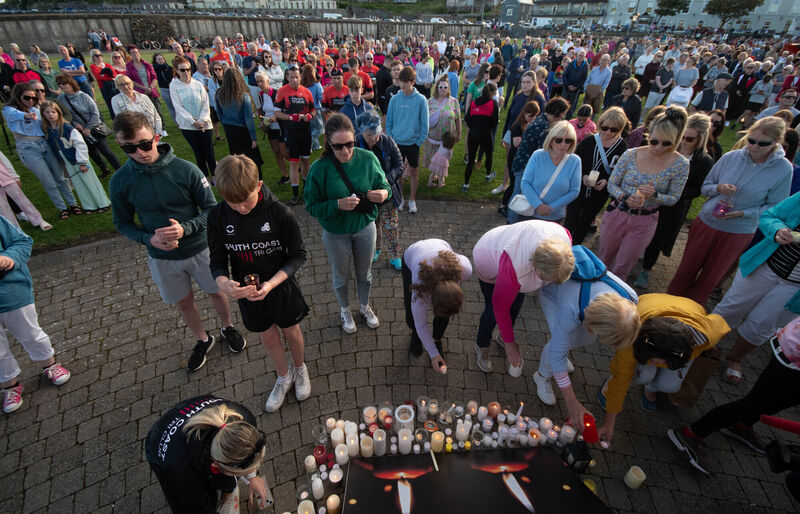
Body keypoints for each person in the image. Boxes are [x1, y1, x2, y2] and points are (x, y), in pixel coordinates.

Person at [109, 111, 246, 372]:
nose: (139, 152)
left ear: (156, 137)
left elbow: (211, 210)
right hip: (162, 258)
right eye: (129, 148)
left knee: (216, 291)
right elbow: (122, 223)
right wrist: (148, 239)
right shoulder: (120, 182)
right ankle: (203, 339)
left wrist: (186, 229)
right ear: (120, 145)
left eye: (144, 144)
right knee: (183, 302)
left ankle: (227, 326)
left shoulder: (186, 170)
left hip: (199, 249)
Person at [208, 155, 310, 412]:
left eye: (247, 201)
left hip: (281, 287)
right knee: (268, 337)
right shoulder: (217, 217)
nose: (242, 208)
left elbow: (298, 255)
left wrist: (272, 284)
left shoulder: (280, 213)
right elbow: (217, 259)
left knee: (291, 331)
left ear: (259, 185)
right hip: (248, 294)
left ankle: (300, 368)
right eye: (234, 203)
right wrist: (224, 283)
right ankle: (283, 375)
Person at [667, 116, 793, 305]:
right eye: (751, 140)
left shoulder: (784, 169)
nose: (754, 146)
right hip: (708, 221)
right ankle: (667, 305)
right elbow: (706, 186)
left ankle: (689, 313)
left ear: (776, 143)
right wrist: (719, 189)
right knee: (686, 269)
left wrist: (744, 213)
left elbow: (775, 207)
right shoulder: (731, 157)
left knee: (711, 277)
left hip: (739, 231)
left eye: (762, 143)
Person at [668, 318, 800, 475]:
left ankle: (741, 425)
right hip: (793, 353)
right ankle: (690, 433)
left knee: (780, 401)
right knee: (756, 403)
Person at [597, 294, 730, 442]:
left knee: (670, 386)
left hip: (688, 308)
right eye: (649, 359)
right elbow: (622, 377)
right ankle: (618, 381)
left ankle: (651, 388)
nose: (651, 363)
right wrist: (610, 422)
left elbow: (719, 323)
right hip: (651, 304)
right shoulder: (634, 335)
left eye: (653, 361)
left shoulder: (704, 338)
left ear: (678, 356)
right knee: (641, 375)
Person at [304, 114, 391, 334]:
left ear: (356, 138)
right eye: (338, 146)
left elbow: (385, 186)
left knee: (365, 274)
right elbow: (311, 206)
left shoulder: (368, 158)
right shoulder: (319, 168)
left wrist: (382, 193)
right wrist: (336, 205)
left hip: (364, 228)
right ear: (329, 144)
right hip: (335, 232)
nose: (346, 151)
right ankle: (345, 310)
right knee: (340, 276)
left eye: (350, 144)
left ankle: (364, 306)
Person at [534, 245, 638, 421]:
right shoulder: (570, 309)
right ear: (594, 322)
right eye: (605, 338)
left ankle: (556, 362)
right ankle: (542, 375)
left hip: (580, 304)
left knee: (583, 338)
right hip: (553, 295)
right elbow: (557, 355)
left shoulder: (630, 298)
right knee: (559, 345)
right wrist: (572, 401)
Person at [713, 192, 800, 385]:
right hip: (765, 267)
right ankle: (707, 343)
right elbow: (770, 216)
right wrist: (778, 231)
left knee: (763, 324)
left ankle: (735, 358)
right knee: (731, 307)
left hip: (795, 289)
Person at [597, 107, 690, 281]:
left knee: (624, 265)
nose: (659, 148)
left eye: (666, 143)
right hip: (618, 212)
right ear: (649, 133)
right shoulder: (630, 154)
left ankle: (611, 298)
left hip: (644, 220)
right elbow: (612, 184)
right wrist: (624, 196)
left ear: (676, 140)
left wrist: (656, 195)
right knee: (603, 258)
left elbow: (674, 198)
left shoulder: (681, 164)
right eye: (654, 141)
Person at [472, 220, 574, 375]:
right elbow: (500, 306)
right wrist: (510, 343)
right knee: (493, 311)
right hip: (488, 255)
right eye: (547, 278)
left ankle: (503, 335)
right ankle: (482, 345)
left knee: (516, 304)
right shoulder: (516, 266)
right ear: (535, 266)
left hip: (511, 244)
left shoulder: (564, 241)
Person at [144, 395, 271, 512]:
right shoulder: (180, 474)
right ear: (216, 467)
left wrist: (252, 477)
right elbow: (196, 508)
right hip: (158, 442)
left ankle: (228, 490)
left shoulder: (244, 420)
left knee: (231, 468)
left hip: (187, 418)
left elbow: (248, 453)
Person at [0, 215, 71, 413]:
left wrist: (9, 258)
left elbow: (23, 241)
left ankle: (50, 365)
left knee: (31, 335)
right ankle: (10, 386)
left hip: (12, 294)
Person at [636, 113, 715, 288]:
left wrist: (673, 192)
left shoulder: (704, 161)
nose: (684, 141)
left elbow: (697, 189)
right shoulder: (668, 148)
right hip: (648, 200)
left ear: (700, 139)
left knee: (657, 239)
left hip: (672, 207)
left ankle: (646, 270)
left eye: (690, 139)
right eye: (682, 136)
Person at [2, 83, 80, 219]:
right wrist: (27, 116)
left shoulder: (36, 109)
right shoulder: (10, 110)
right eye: (26, 98)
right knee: (48, 181)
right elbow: (16, 115)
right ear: (18, 97)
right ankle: (62, 207)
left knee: (60, 177)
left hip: (44, 143)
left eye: (34, 98)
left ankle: (73, 203)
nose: (30, 101)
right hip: (28, 148)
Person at [404, 239, 472, 374]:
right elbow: (421, 324)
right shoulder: (420, 285)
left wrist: (433, 350)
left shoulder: (465, 270)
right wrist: (434, 354)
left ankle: (436, 339)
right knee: (412, 312)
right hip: (413, 255)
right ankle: (416, 336)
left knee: (444, 312)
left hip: (441, 247)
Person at [564, 107, 629, 244]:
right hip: (579, 189)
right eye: (605, 128)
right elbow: (574, 163)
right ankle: (562, 246)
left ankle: (575, 249)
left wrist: (608, 181)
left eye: (614, 129)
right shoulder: (589, 141)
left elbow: (622, 171)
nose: (608, 132)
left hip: (599, 194)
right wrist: (583, 176)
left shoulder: (622, 147)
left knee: (584, 222)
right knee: (570, 220)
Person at [506, 97, 570, 224]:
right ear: (557, 113)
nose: (561, 119)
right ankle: (511, 224)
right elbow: (545, 151)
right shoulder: (543, 127)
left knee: (518, 196)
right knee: (518, 198)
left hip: (522, 163)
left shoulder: (541, 121)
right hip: (524, 166)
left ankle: (512, 222)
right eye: (561, 116)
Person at [41, 100, 110, 214]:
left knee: (90, 182)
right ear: (43, 114)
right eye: (47, 112)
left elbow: (80, 144)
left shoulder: (67, 128)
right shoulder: (49, 130)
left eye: (53, 112)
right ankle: (90, 205)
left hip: (78, 159)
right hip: (67, 160)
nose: (50, 114)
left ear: (58, 113)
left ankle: (103, 203)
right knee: (79, 184)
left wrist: (82, 162)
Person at [356, 111, 404, 271]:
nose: (373, 138)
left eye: (376, 134)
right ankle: (376, 249)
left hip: (387, 197)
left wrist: (387, 179)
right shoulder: (355, 143)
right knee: (372, 226)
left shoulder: (388, 141)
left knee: (390, 227)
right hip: (367, 197)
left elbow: (399, 165)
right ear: (361, 131)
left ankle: (395, 255)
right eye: (369, 135)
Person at [56, 74, 121, 178]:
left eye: (64, 83)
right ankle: (104, 168)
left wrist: (88, 128)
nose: (62, 86)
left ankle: (119, 169)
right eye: (59, 84)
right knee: (92, 152)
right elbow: (64, 114)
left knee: (105, 150)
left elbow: (95, 113)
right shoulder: (61, 98)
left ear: (71, 83)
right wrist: (74, 124)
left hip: (94, 127)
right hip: (79, 129)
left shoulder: (84, 96)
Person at [385, 66, 428, 213]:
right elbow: (388, 123)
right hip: (397, 143)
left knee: (414, 171)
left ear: (413, 82)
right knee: (398, 173)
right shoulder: (394, 99)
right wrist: (391, 140)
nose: (402, 85)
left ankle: (412, 200)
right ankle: (401, 198)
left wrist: (418, 142)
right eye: (400, 81)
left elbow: (425, 125)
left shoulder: (421, 100)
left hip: (413, 143)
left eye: (405, 82)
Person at [520, 120, 581, 222]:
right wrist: (538, 205)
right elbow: (525, 182)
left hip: (555, 216)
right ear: (551, 140)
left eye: (568, 141)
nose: (563, 144)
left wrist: (551, 208)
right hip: (530, 212)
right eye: (559, 140)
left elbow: (574, 190)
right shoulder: (538, 155)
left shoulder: (575, 161)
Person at [275, 65, 315, 206]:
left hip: (305, 131)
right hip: (291, 131)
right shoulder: (282, 92)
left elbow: (313, 110)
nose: (294, 80)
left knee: (305, 160)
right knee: (293, 162)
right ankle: (295, 193)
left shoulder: (307, 92)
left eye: (297, 77)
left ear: (300, 77)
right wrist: (290, 117)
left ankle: (306, 189)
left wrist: (309, 116)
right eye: (291, 77)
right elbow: (277, 113)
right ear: (287, 77)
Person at [170, 56, 215, 178]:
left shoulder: (198, 84)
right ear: (177, 70)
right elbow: (178, 107)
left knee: (209, 152)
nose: (186, 72)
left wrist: (202, 120)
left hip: (205, 124)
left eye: (188, 69)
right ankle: (205, 177)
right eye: (183, 70)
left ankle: (216, 176)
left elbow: (205, 104)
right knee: (199, 153)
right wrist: (192, 121)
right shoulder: (174, 86)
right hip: (188, 126)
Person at [215, 69, 263, 179]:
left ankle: (242, 180)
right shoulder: (243, 96)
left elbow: (220, 114)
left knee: (237, 159)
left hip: (230, 130)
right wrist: (253, 138)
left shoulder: (219, 94)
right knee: (252, 161)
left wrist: (226, 128)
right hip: (243, 131)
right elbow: (249, 119)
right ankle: (258, 181)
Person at [498, 101, 540, 218]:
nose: (533, 118)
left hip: (522, 158)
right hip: (516, 158)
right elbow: (516, 143)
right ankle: (503, 206)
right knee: (514, 185)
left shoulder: (528, 125)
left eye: (536, 116)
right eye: (531, 116)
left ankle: (506, 205)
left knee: (515, 184)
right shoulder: (518, 126)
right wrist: (530, 136)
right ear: (524, 113)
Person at [0, 150, 51, 231]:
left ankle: (39, 220)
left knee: (23, 201)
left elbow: (5, 162)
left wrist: (15, 176)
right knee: (3, 209)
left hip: (6, 178)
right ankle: (14, 230)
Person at [421, 75, 461, 176]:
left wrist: (459, 133)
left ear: (448, 88)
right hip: (432, 137)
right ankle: (434, 174)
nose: (443, 89)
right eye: (441, 87)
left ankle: (440, 175)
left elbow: (458, 118)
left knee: (444, 158)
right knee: (433, 157)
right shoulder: (430, 101)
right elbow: (423, 118)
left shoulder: (454, 102)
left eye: (445, 87)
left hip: (447, 138)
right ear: (437, 88)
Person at [463, 82, 499, 192]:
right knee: (489, 155)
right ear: (492, 93)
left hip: (473, 133)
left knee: (470, 160)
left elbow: (467, 119)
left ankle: (466, 184)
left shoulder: (474, 102)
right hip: (486, 134)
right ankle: (488, 175)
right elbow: (495, 122)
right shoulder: (493, 103)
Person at [125, 45, 164, 135]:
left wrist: (150, 87)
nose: (135, 54)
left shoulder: (146, 64)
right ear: (130, 54)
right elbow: (131, 80)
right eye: (133, 53)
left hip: (152, 91)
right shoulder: (129, 66)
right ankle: (147, 129)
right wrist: (144, 88)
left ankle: (161, 129)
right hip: (140, 92)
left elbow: (154, 77)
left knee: (157, 110)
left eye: (137, 52)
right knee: (144, 112)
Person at [89, 49, 119, 118]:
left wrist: (105, 75)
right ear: (93, 57)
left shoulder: (107, 65)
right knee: (110, 103)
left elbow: (114, 75)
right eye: (97, 56)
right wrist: (109, 76)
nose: (99, 57)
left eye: (100, 55)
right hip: (104, 87)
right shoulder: (93, 66)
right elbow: (98, 77)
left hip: (113, 85)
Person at [562, 50, 588, 119]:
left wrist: (576, 87)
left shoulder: (585, 66)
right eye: (579, 55)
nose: (580, 57)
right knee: (562, 104)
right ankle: (560, 118)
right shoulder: (571, 64)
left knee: (571, 107)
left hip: (575, 90)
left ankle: (567, 120)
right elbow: (564, 75)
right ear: (577, 55)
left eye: (582, 56)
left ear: (584, 57)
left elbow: (584, 79)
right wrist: (568, 85)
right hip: (566, 88)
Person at [153, 53, 176, 123]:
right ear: (156, 61)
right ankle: (177, 122)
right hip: (164, 90)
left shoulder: (168, 68)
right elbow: (155, 68)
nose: (161, 60)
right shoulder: (155, 68)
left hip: (172, 89)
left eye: (162, 59)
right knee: (171, 107)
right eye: (158, 59)